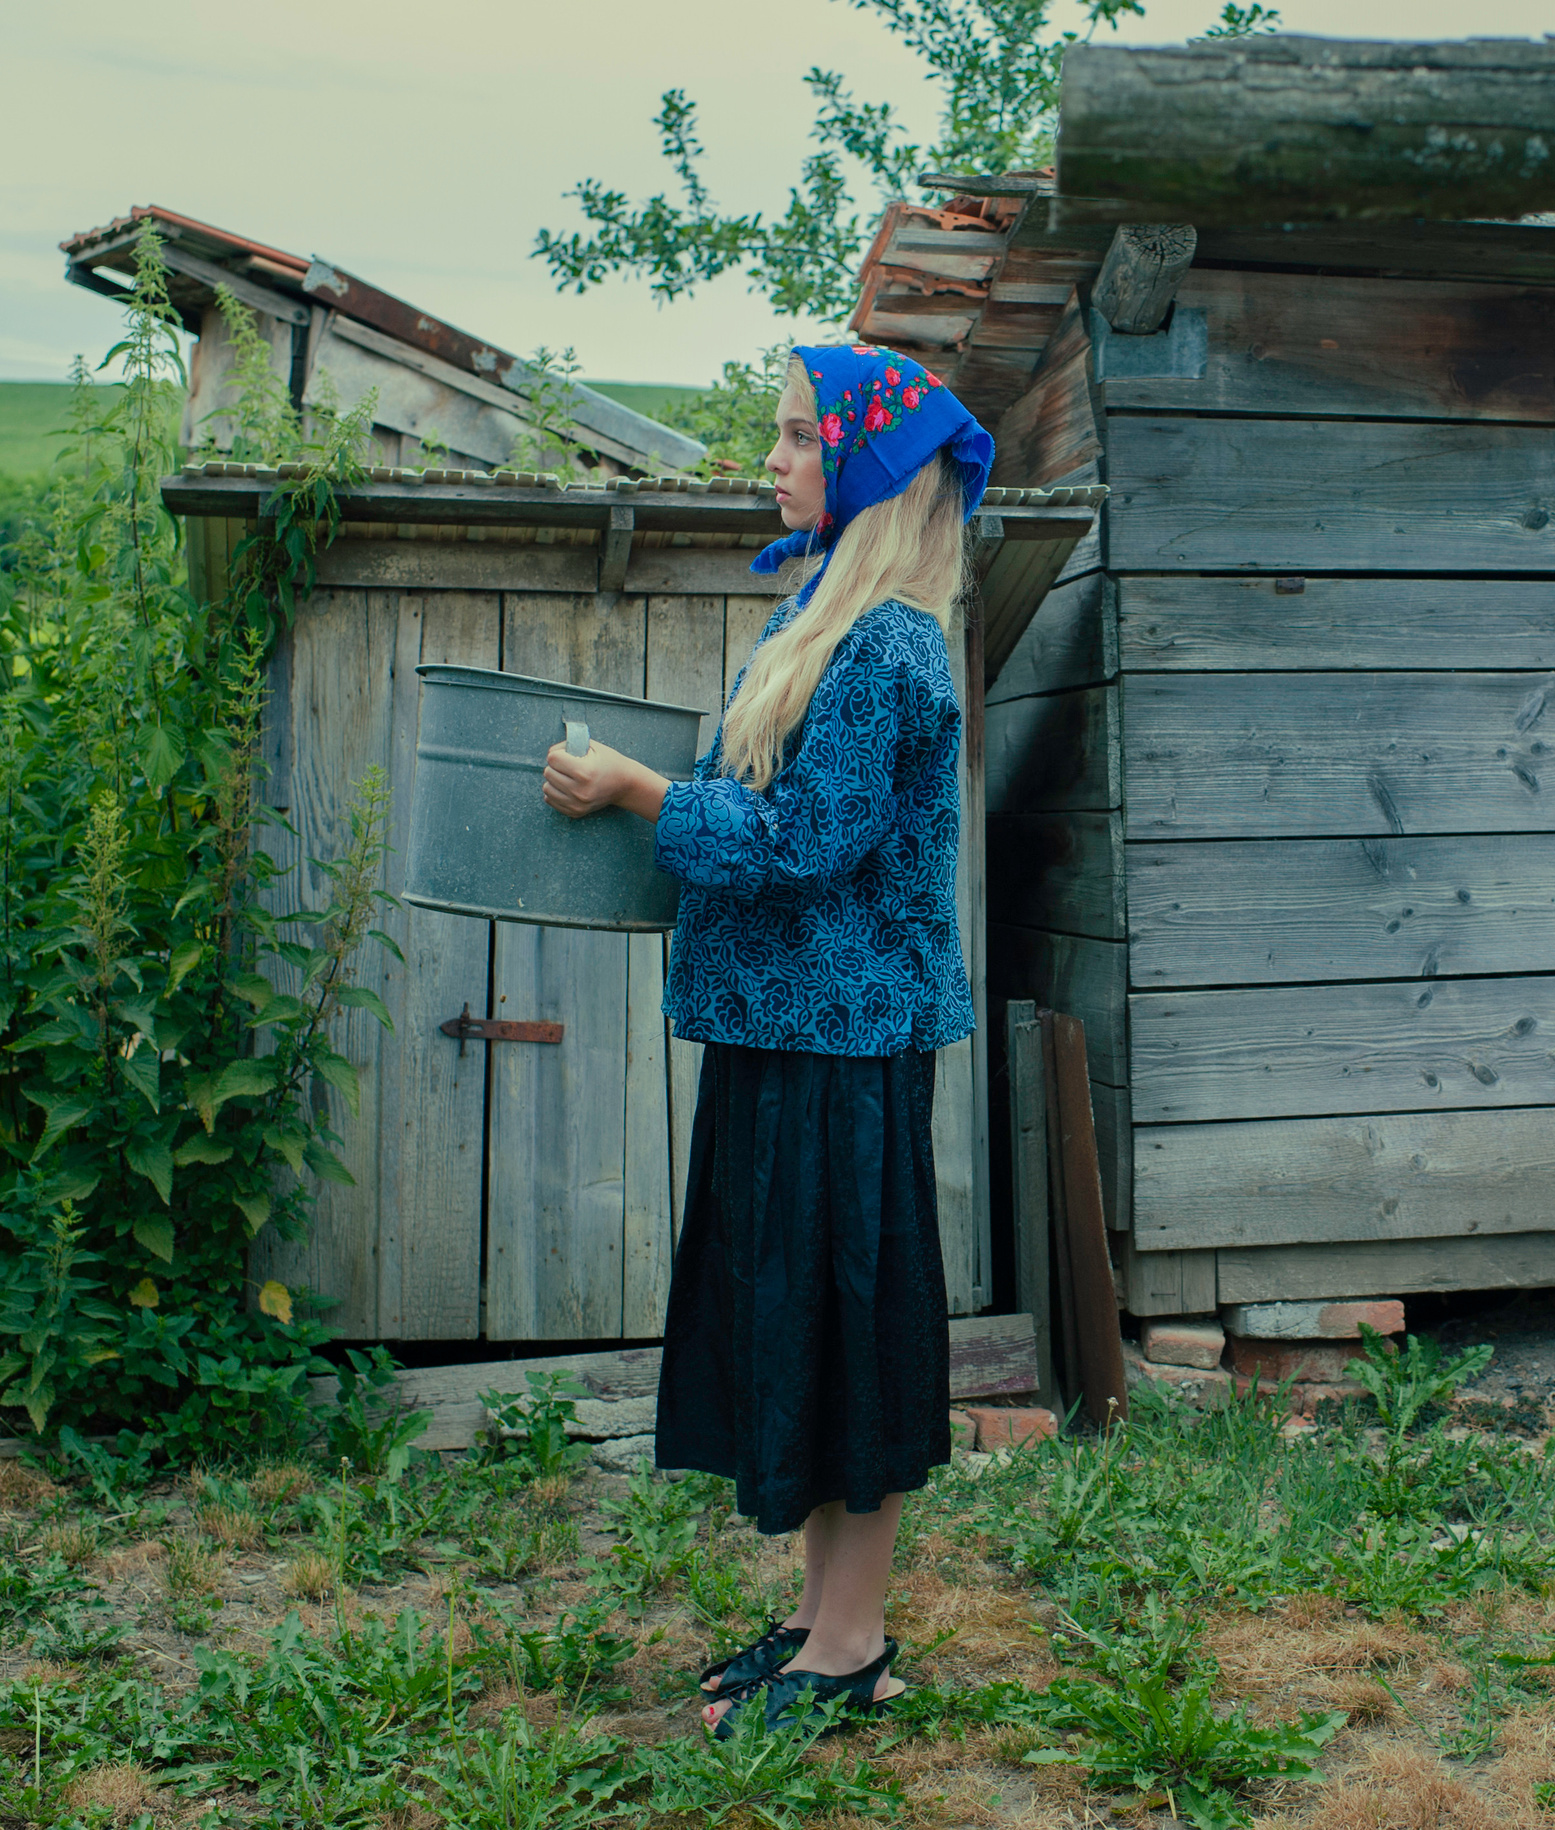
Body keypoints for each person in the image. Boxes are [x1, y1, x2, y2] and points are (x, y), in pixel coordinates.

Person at [539, 341, 991, 1737]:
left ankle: (851, 1645)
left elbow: (805, 843)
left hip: (844, 1042)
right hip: (788, 1031)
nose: (776, 459)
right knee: (799, 1318)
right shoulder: (825, 618)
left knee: (848, 1333)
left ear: (863, 463)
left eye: (801, 436)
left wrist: (641, 793)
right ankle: (817, 1618)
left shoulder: (886, 646)